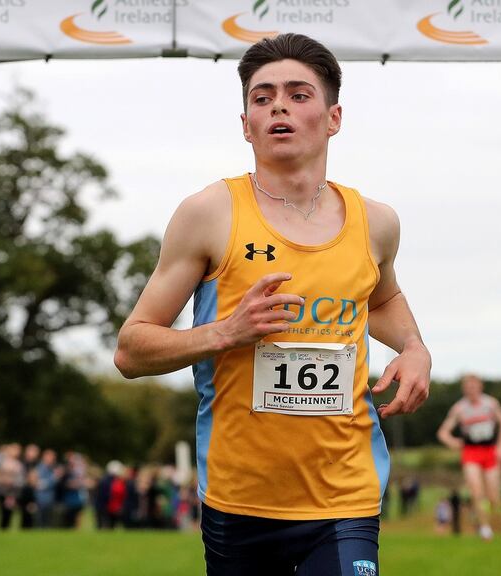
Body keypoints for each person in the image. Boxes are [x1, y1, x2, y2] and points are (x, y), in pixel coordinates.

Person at [114, 32, 431, 575]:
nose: (278, 105)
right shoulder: (209, 213)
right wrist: (224, 331)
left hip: (344, 495)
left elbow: (384, 297)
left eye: (298, 94)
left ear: (333, 118)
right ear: (246, 125)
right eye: (261, 98)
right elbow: (131, 349)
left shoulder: (376, 222)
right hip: (240, 499)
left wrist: (414, 347)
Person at [437, 374, 501, 540]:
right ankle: (485, 528)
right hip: (471, 452)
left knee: (493, 496)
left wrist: (500, 446)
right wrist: (453, 442)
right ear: (464, 390)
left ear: (480, 387)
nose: (471, 390)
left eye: (474, 387)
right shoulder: (460, 408)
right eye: (468, 387)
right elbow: (442, 432)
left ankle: (480, 516)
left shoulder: (491, 404)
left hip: (490, 450)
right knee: (476, 491)